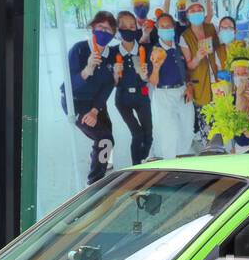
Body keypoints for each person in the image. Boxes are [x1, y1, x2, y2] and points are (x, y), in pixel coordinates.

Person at [67, 10, 117, 183]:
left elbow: (108, 85)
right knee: (105, 137)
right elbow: (69, 85)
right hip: (76, 102)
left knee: (107, 131)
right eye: (100, 27)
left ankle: (101, 158)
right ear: (92, 27)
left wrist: (95, 110)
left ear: (113, 34)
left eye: (108, 29)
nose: (103, 32)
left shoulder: (111, 54)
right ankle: (95, 181)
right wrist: (87, 70)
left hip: (96, 102)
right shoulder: (79, 49)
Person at [147, 12, 195, 159]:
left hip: (182, 92)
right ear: (157, 28)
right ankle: (170, 165)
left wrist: (189, 86)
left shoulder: (179, 47)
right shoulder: (155, 51)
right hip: (163, 94)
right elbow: (153, 82)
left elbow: (187, 70)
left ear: (174, 27)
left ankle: (183, 165)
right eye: (162, 26)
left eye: (169, 26)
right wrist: (156, 67)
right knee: (169, 133)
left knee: (187, 130)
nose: (166, 29)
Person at [112, 10, 154, 165]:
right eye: (123, 26)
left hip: (141, 96)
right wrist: (116, 75)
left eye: (131, 26)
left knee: (148, 136)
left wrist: (144, 76)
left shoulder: (145, 49)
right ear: (117, 29)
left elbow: (149, 78)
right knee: (137, 134)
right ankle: (136, 167)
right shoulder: (113, 52)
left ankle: (142, 159)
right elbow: (113, 83)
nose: (127, 29)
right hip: (122, 99)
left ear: (137, 28)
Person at [179, 0, 220, 131]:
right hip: (200, 85)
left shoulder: (210, 27)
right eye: (192, 10)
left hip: (218, 82)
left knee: (221, 123)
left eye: (199, 9)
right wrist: (197, 57)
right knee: (207, 125)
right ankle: (208, 150)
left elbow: (220, 50)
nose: (196, 12)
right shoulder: (185, 36)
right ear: (188, 14)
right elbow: (189, 65)